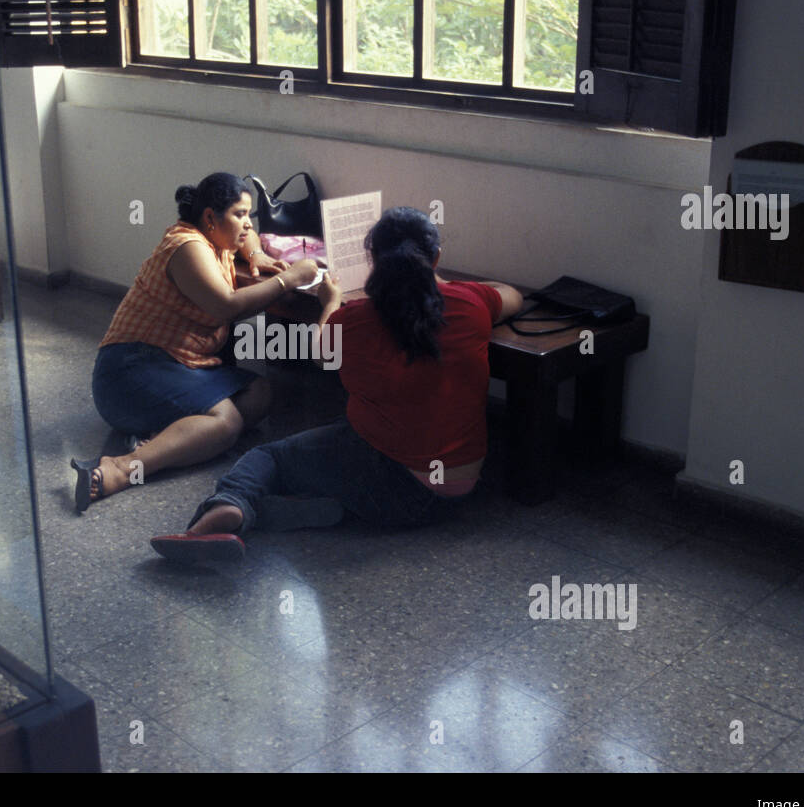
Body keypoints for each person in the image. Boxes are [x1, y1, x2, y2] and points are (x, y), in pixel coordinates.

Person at [150, 206, 526, 562]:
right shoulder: (473, 302)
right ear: (437, 258)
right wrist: (445, 283)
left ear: (374, 262)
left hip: (397, 481)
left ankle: (225, 510)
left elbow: (319, 352)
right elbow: (514, 295)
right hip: (459, 492)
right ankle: (322, 510)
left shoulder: (355, 318)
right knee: (345, 440)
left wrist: (330, 301)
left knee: (268, 457)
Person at [74, 171, 321, 512]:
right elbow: (227, 305)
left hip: (182, 365)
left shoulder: (217, 238)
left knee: (260, 394)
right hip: (129, 370)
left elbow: (245, 237)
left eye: (248, 215)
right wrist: (289, 279)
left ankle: (167, 438)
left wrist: (256, 254)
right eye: (240, 215)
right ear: (209, 217)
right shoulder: (187, 246)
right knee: (228, 422)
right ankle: (124, 467)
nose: (248, 225)